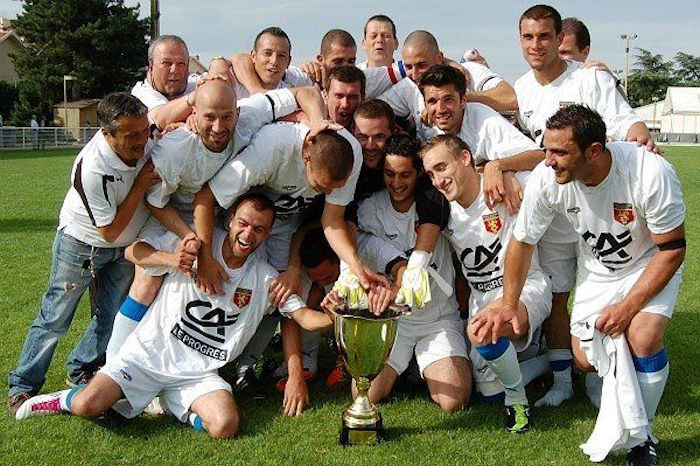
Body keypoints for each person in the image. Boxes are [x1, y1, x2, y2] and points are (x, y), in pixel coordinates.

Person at [15, 193, 335, 438]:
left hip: (197, 374)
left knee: (225, 425)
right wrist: (173, 260)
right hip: (148, 357)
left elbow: (304, 318)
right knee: (87, 405)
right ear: (231, 219)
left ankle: (174, 405)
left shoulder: (265, 277)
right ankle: (56, 400)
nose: (248, 234)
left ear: (267, 235)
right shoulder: (197, 245)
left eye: (259, 229)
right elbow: (132, 251)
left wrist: (339, 316)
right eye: (243, 223)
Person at [494, 105, 684, 464]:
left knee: (642, 336)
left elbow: (672, 249)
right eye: (546, 149)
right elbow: (522, 241)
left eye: (560, 152)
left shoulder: (648, 172)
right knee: (585, 359)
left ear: (594, 151)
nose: (548, 161)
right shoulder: (546, 177)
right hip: (598, 272)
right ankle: (624, 392)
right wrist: (508, 304)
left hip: (651, 262)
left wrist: (628, 309)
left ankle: (642, 438)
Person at [105, 80, 326, 362]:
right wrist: (196, 243)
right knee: (148, 284)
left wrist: (318, 123)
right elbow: (155, 202)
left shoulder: (250, 113)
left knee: (239, 284)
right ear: (193, 114)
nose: (219, 127)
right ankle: (113, 367)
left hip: (224, 216)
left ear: (237, 112)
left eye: (226, 117)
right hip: (175, 216)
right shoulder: (174, 150)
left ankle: (214, 363)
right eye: (209, 117)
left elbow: (303, 92)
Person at [515, 4, 655, 408]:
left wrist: (642, 136)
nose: (536, 44)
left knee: (606, 294)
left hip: (600, 209)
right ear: (520, 41)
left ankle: (602, 376)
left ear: (560, 39)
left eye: (544, 36)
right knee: (560, 299)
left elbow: (624, 119)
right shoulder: (522, 88)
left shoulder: (591, 77)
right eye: (528, 36)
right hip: (557, 212)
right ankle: (562, 382)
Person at [7, 93, 160, 415]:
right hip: (82, 246)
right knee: (55, 319)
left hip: (124, 251)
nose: (143, 140)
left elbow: (170, 114)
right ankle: (23, 386)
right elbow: (109, 231)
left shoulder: (147, 132)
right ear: (107, 134)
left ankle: (82, 368)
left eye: (145, 130)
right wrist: (140, 187)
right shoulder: (93, 167)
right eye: (132, 135)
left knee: (111, 315)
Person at [420, 134, 552, 432]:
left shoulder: (504, 187)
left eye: (442, 167)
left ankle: (518, 403)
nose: (438, 180)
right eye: (431, 174)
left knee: (481, 332)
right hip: (480, 298)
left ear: (465, 158)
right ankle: (545, 362)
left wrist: (502, 167)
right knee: (488, 391)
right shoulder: (442, 210)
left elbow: (545, 160)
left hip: (525, 288)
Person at [354, 134, 472, 413]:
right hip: (394, 321)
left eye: (405, 174)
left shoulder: (438, 201)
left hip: (438, 320)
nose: (396, 183)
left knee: (454, 402)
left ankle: (420, 366)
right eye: (390, 174)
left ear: (419, 173)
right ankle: (407, 368)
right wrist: (395, 264)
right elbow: (358, 239)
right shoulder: (370, 208)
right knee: (365, 395)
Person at [400, 30, 517, 112]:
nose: (414, 75)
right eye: (409, 67)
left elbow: (511, 97)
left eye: (422, 65)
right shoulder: (406, 88)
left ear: (439, 58)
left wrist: (457, 98)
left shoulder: (470, 71)